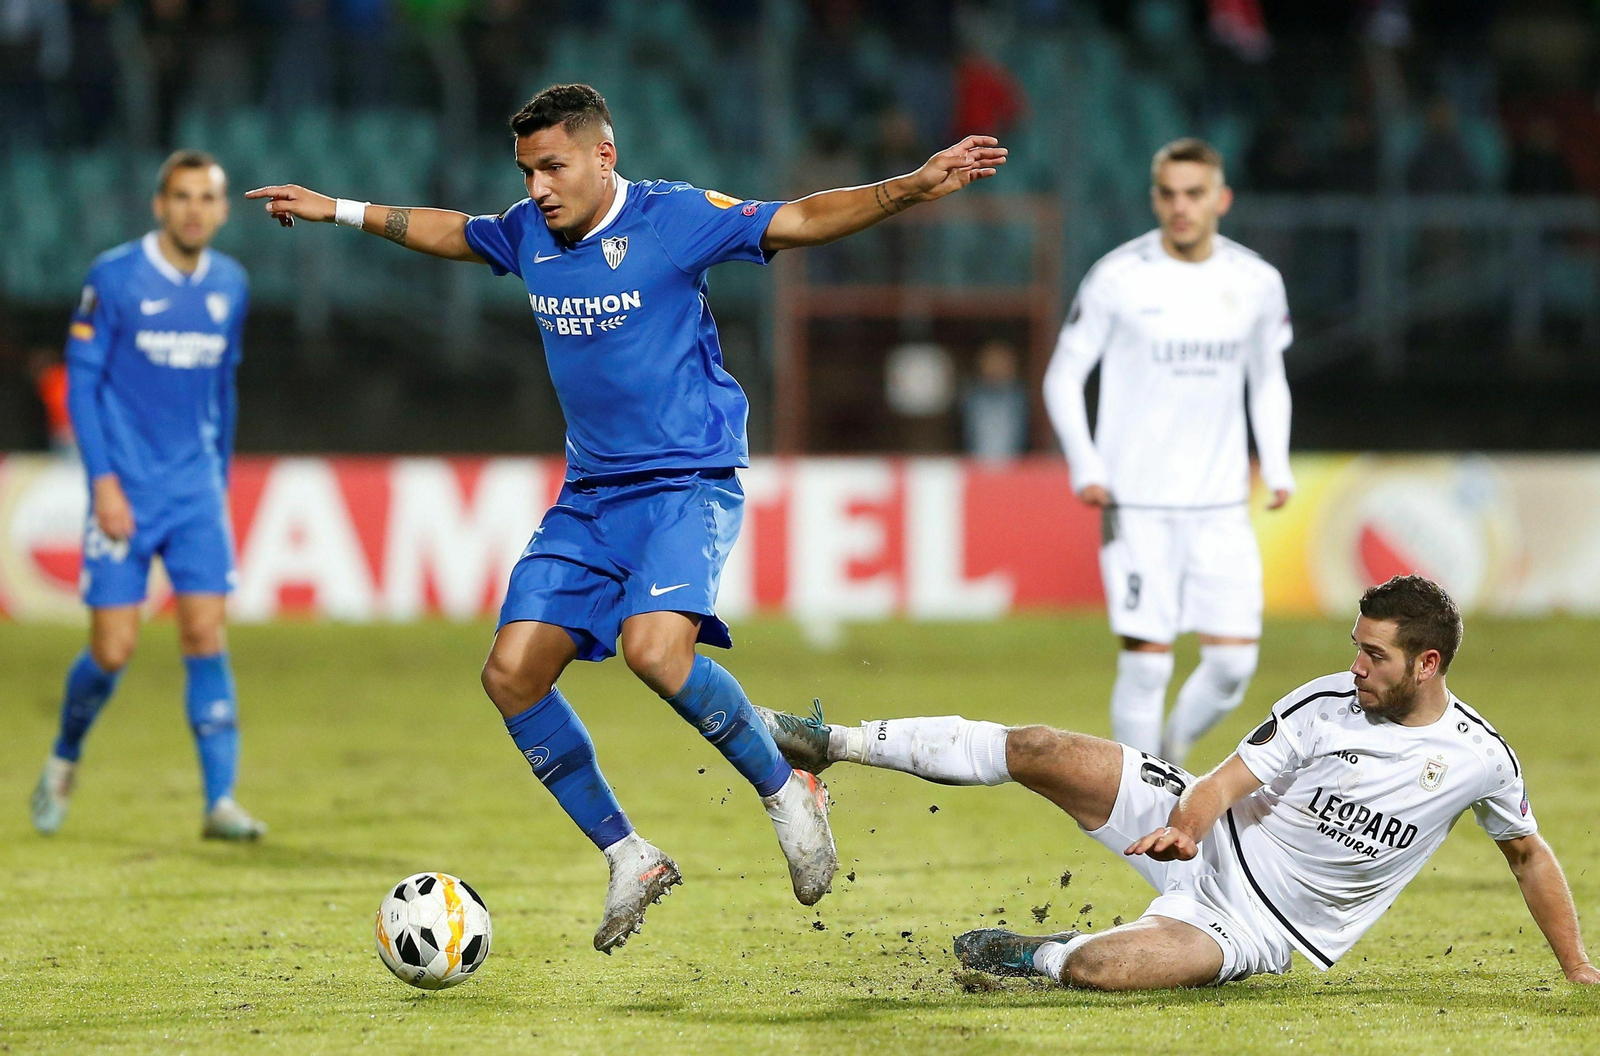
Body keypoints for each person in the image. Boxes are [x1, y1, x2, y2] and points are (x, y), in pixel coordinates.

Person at [245, 83, 1007, 953]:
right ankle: (629, 854)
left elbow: (798, 219)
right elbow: (453, 231)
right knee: (511, 675)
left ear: (603, 156)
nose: (537, 188)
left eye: (552, 167)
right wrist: (339, 210)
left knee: (654, 650)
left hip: (687, 480)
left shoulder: (673, 219)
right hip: (591, 496)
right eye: (526, 171)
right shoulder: (528, 232)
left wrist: (909, 186)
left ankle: (787, 788)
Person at [757, 576, 1599, 990]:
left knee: (1100, 972)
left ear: (1428, 663)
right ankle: (833, 742)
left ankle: (1035, 953)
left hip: (1256, 927)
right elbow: (1226, 781)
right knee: (1040, 745)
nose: (1355, 667)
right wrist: (1187, 826)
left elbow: (1528, 855)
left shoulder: (1481, 759)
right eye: (1355, 646)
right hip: (1203, 829)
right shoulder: (1327, 705)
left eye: (1373, 655)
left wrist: (1578, 969)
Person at [30, 150, 262, 841]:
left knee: (205, 633)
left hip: (196, 492)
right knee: (112, 650)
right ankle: (64, 757)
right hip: (125, 491)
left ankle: (220, 801)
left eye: (207, 197)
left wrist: (219, 479)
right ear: (160, 205)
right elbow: (81, 385)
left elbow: (224, 387)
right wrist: (102, 482)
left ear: (222, 210)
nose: (194, 209)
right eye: (182, 196)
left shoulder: (231, 284)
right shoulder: (115, 276)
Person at [1042, 137, 1294, 767]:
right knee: (1147, 662)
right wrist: (1086, 464)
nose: (1181, 207)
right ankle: (1141, 794)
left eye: (1194, 194)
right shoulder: (1118, 277)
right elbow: (1063, 376)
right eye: (1169, 194)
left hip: (1220, 502)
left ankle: (1173, 751)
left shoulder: (1257, 282)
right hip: (1137, 500)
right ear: (1154, 199)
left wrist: (1277, 461)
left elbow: (1267, 378)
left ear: (1221, 199)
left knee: (1233, 664)